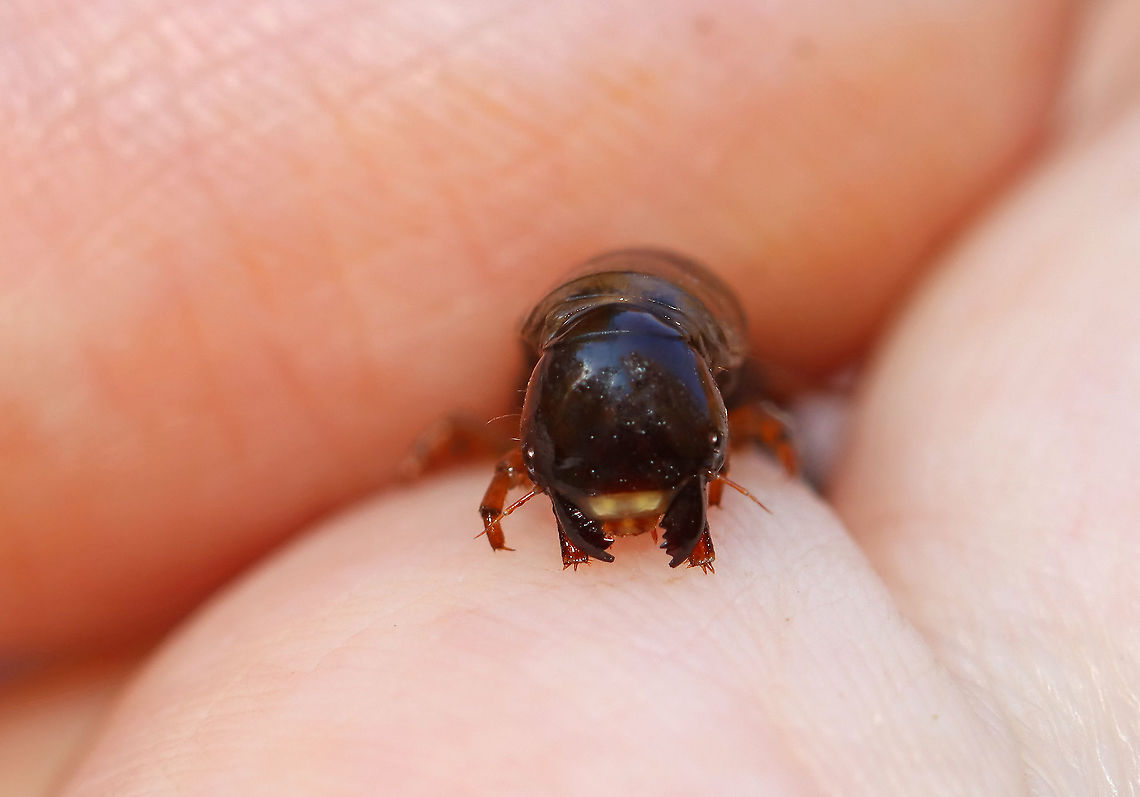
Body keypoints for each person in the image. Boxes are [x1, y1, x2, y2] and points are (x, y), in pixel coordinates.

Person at [1, 2, 1136, 793]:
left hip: (669, 322)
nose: (637, 514)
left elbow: (755, 407)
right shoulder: (602, 386)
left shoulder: (703, 376)